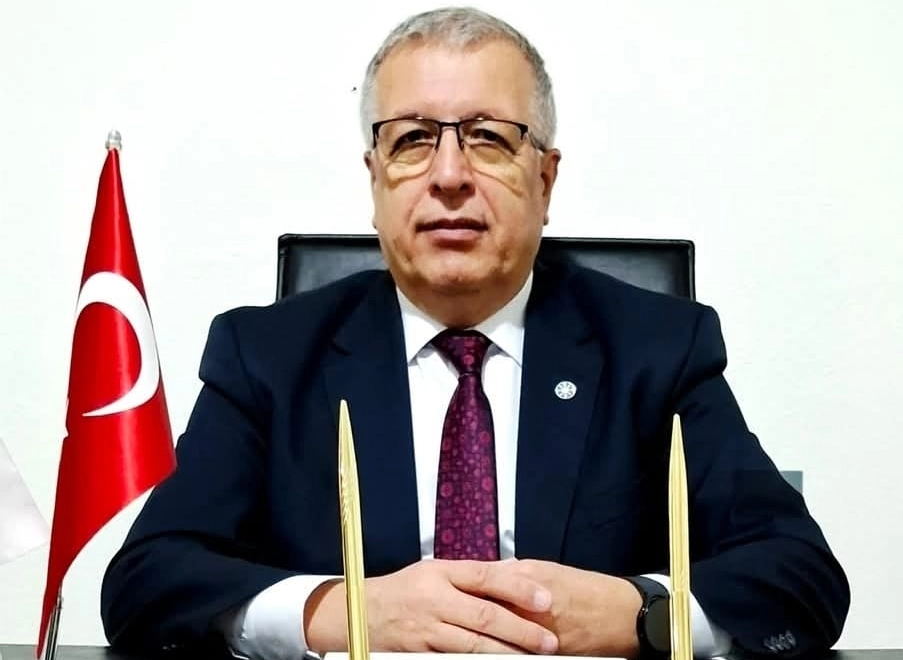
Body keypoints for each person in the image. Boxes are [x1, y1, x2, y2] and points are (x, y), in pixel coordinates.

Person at [100, 6, 849, 660]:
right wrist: (346, 612)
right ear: (374, 177)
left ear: (545, 181)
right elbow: (148, 581)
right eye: (412, 139)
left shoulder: (656, 349)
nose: (450, 175)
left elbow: (800, 576)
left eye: (488, 138)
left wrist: (640, 612)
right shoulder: (267, 356)